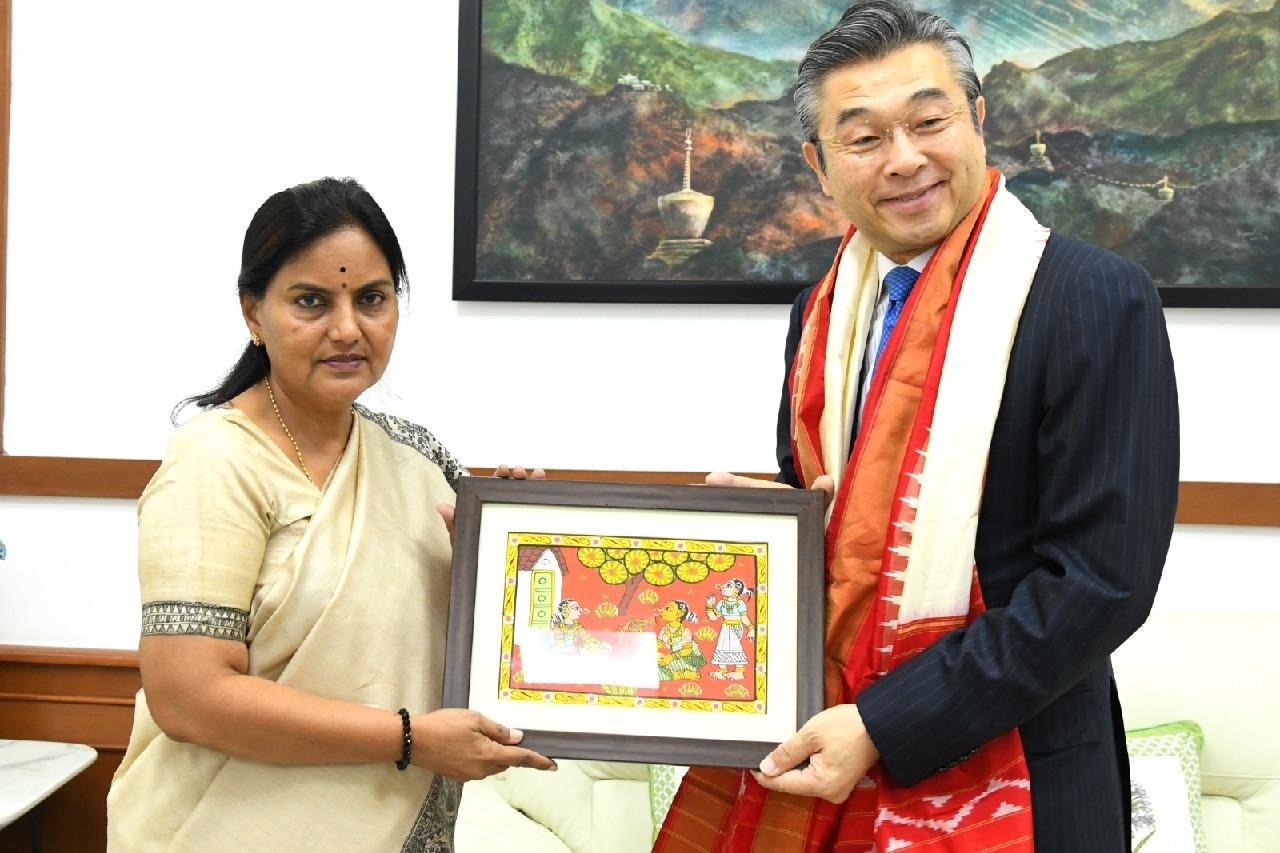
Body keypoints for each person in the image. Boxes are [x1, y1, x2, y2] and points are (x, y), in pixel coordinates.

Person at [654, 2, 1179, 851]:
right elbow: (856, 523)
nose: (905, 160)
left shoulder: (1092, 297)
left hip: (1025, 778)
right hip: (836, 763)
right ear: (819, 167)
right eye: (864, 139)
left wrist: (883, 722)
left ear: (976, 121)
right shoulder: (819, 316)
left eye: (928, 122)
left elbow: (1099, 583)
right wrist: (772, 524)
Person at [106, 177, 554, 852]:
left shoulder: (421, 462)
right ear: (253, 313)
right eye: (311, 301)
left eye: (371, 298)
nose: (347, 328)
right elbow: (186, 695)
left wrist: (516, 553)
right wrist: (409, 738)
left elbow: (485, 644)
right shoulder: (216, 460)